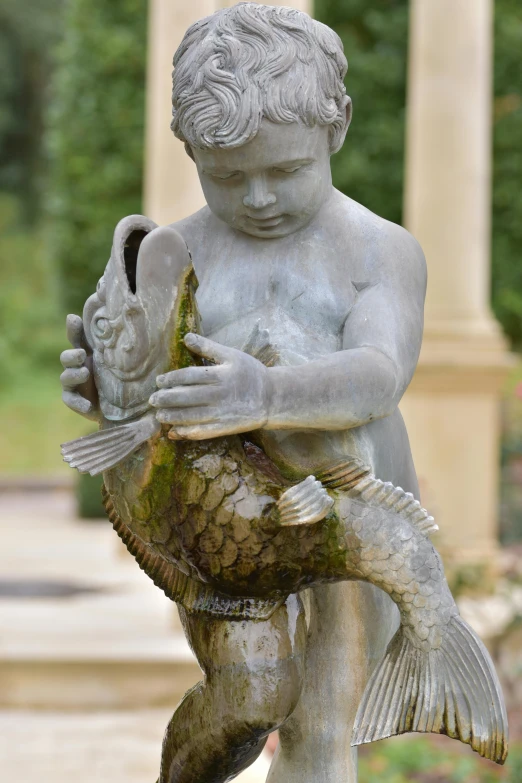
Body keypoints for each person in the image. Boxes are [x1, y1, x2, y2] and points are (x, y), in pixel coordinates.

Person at [60, 5, 426, 782]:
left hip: (341, 504)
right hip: (219, 527)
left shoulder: (376, 250)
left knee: (323, 726)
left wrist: (264, 390)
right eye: (226, 176)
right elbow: (152, 390)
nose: (257, 196)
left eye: (284, 171)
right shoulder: (179, 250)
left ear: (338, 128)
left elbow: (378, 370)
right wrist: (107, 392)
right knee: (250, 692)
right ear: (189, 151)